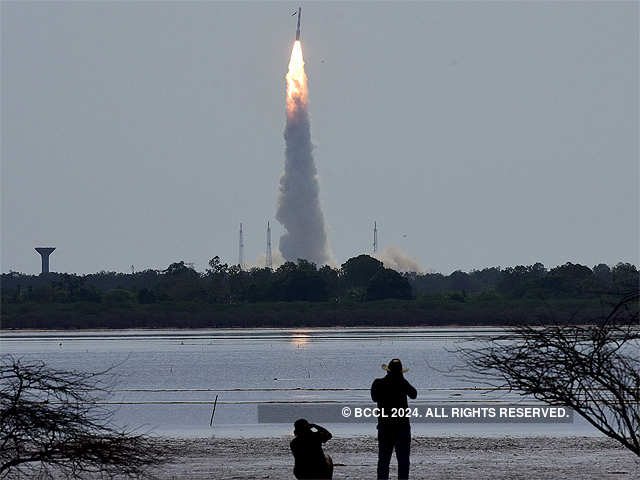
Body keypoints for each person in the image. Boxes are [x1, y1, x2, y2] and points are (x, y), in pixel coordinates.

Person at [371, 358, 417, 480]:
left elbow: (374, 397)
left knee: (383, 462)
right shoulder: (402, 383)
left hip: (385, 427)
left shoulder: (378, 383)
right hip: (402, 428)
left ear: (388, 371)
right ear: (401, 372)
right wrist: (401, 380)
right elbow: (414, 394)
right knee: (403, 462)